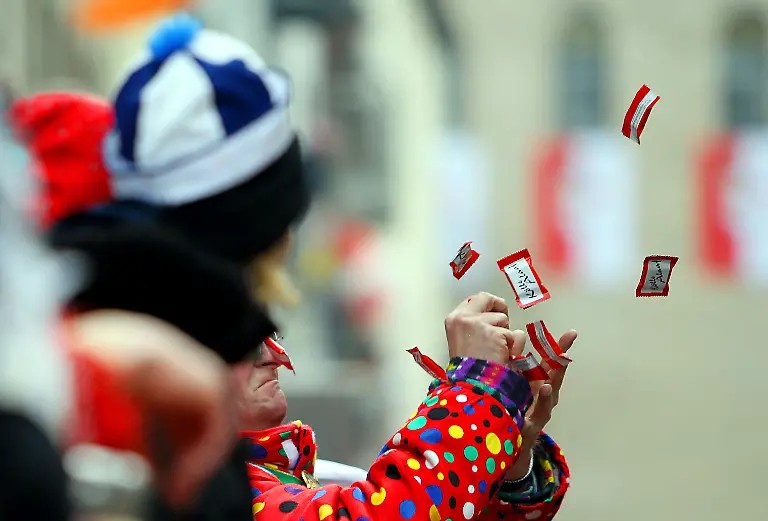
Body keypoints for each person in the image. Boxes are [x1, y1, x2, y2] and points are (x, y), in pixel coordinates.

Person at [99, 13, 573, 521]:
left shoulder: (267, 475)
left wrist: (513, 455)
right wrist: (476, 395)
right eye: (229, 315)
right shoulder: (173, 477)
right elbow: (388, 515)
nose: (273, 353)